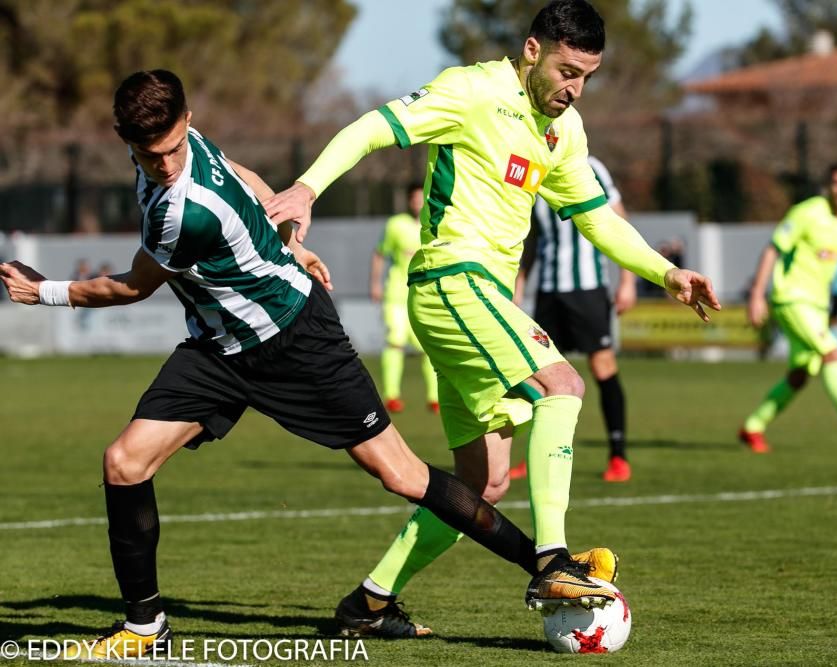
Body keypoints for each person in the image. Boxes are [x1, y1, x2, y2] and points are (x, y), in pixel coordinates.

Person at [0, 70, 592, 658]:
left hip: (297, 338)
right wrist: (288, 235)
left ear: (186, 121)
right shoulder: (181, 148)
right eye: (149, 155)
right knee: (124, 462)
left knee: (402, 475)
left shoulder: (181, 212)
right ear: (125, 140)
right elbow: (248, 179)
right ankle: (145, 628)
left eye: (173, 148)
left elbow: (132, 287)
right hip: (220, 348)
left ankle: (544, 563)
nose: (165, 165)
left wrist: (43, 291)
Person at [265, 0, 719, 637]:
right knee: (564, 385)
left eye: (587, 75)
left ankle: (366, 605)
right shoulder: (473, 91)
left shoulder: (565, 131)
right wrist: (308, 187)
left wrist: (662, 272)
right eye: (566, 70)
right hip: (452, 280)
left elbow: (594, 217)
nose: (574, 87)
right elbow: (372, 126)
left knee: (482, 484)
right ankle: (552, 559)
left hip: (479, 300)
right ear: (532, 50)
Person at [741, 163, 837, 454]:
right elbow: (773, 249)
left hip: (818, 305)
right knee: (831, 352)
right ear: (828, 186)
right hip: (791, 298)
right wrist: (757, 294)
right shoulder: (806, 212)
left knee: (800, 374)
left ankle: (752, 427)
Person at [512, 155, 636, 482]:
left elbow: (618, 223)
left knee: (602, 366)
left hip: (588, 290)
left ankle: (618, 456)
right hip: (549, 292)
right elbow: (532, 238)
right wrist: (519, 285)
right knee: (539, 374)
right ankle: (537, 454)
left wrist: (628, 281)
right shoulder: (532, 166)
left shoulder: (592, 166)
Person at [370, 182, 438, 413]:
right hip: (396, 294)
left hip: (425, 295)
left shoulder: (436, 223)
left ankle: (434, 397)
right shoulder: (395, 224)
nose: (418, 202)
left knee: (428, 347)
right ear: (409, 200)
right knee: (395, 342)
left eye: (422, 198)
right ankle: (391, 396)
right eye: (414, 198)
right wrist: (375, 284)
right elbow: (380, 254)